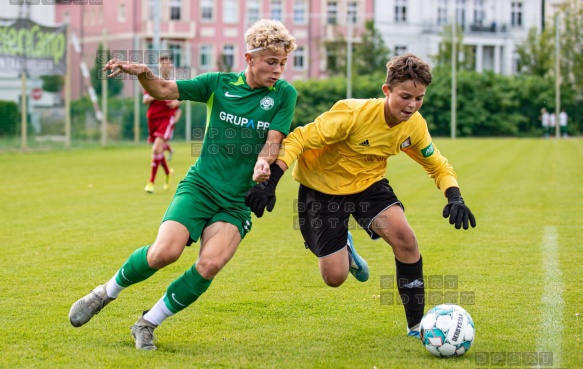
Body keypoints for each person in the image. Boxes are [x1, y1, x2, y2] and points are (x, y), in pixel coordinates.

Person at [68, 19, 298, 351]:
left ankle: (147, 323)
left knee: (209, 264)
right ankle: (105, 293)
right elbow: (163, 90)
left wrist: (264, 162)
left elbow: (274, 139)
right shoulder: (217, 84)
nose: (278, 70)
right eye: (271, 62)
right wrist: (143, 72)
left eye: (282, 63)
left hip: (236, 201)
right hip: (201, 186)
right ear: (249, 58)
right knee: (164, 253)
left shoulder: (284, 94)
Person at [245, 53, 476, 338]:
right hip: (322, 189)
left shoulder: (414, 125)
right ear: (387, 90)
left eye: (419, 98)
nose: (412, 105)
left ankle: (417, 326)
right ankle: (346, 249)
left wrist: (455, 197)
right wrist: (271, 180)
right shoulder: (352, 114)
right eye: (405, 96)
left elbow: (437, 164)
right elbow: (299, 138)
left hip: (368, 184)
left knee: (406, 239)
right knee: (334, 277)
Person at [143, 54, 182, 193]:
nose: (165, 66)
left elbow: (183, 97)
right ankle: (167, 172)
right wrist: (158, 93)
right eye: (162, 64)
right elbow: (145, 100)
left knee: (156, 149)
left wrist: (177, 102)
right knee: (158, 150)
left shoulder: (175, 82)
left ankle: (151, 182)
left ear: (171, 66)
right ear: (159, 67)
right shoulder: (153, 81)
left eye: (168, 64)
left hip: (167, 119)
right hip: (153, 119)